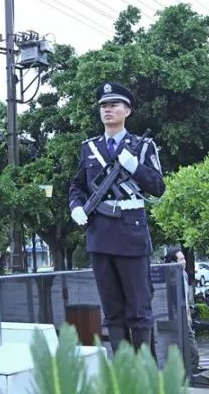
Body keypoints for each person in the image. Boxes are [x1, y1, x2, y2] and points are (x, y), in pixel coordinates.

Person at [68, 82, 165, 355]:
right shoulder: (89, 148)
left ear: (127, 110)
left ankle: (144, 371)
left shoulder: (143, 146)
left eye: (114, 105)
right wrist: (76, 206)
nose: (108, 110)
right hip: (99, 234)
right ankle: (122, 371)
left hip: (131, 233)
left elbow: (158, 186)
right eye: (103, 105)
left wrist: (135, 167)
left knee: (139, 308)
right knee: (112, 310)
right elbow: (77, 185)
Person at [164, 247, 200, 375]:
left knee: (191, 353)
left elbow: (185, 300)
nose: (184, 262)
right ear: (173, 263)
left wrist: (189, 316)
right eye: (181, 259)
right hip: (177, 320)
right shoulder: (170, 276)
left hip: (186, 319)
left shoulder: (183, 274)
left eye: (184, 258)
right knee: (191, 353)